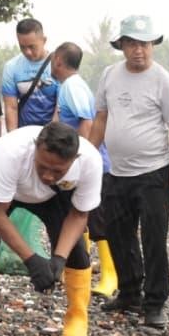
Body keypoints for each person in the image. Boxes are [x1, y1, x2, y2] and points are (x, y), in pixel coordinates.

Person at [0, 122, 102, 336]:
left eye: (58, 170)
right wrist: (31, 260)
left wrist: (58, 258)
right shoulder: (12, 153)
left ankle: (77, 319)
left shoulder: (90, 162)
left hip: (52, 196)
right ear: (35, 149)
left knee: (76, 248)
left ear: (74, 160)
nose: (48, 175)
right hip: (0, 179)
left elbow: (78, 216)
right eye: (43, 166)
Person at [90, 15, 169, 331]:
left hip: (155, 172)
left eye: (144, 44)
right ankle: (130, 292)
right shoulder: (109, 75)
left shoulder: (163, 80)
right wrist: (89, 156)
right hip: (117, 172)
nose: (139, 51)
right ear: (122, 45)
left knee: (154, 238)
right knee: (118, 234)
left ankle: (155, 303)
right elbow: (101, 118)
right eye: (132, 43)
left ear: (152, 45)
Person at [51, 41, 117, 298]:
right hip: (84, 163)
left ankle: (111, 275)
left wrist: (83, 160)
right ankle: (82, 268)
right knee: (80, 217)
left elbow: (87, 124)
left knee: (98, 220)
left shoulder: (72, 87)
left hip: (91, 164)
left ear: (58, 60)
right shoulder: (70, 86)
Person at [1, 17, 58, 130]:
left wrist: (51, 136)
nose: (27, 52)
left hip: (52, 131)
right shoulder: (11, 67)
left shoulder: (57, 64)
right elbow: (11, 107)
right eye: (22, 47)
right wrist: (12, 137)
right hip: (24, 131)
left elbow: (60, 106)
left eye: (32, 46)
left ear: (44, 40)